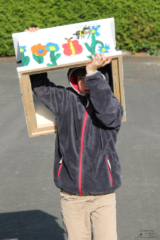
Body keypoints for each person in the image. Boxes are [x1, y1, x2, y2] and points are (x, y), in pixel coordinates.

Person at [26, 27, 123, 240]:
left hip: (103, 194)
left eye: (89, 75)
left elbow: (107, 115)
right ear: (73, 78)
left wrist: (93, 74)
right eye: (81, 75)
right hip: (71, 195)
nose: (85, 81)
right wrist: (33, 43)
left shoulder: (113, 104)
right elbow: (40, 86)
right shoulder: (65, 100)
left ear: (101, 77)